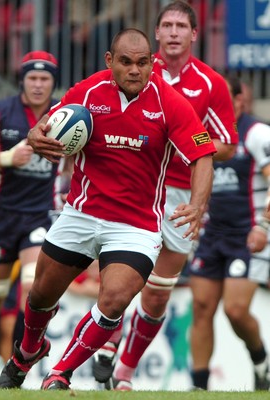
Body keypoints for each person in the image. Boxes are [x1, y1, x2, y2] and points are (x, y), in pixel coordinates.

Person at [0, 28, 216, 391]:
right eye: (126, 62)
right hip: (81, 214)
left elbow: (202, 154)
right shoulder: (87, 91)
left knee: (113, 300)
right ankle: (27, 353)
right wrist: (36, 136)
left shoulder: (170, 101)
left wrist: (197, 203)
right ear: (109, 61)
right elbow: (44, 126)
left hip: (136, 225)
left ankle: (59, 374)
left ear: (152, 63)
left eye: (143, 63)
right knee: (39, 296)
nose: (135, 70)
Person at [93, 1, 238, 391]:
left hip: (180, 196)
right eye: (167, 25)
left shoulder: (212, 84)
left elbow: (225, 143)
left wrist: (189, 138)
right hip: (135, 186)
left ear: (194, 35)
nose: (174, 32)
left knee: (157, 296)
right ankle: (106, 346)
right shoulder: (134, 70)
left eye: (181, 26)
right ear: (156, 34)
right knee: (119, 278)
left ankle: (124, 371)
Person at [0, 50, 61, 387]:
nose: (39, 85)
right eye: (33, 78)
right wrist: (7, 157)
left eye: (45, 79)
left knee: (34, 291)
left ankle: (17, 369)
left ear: (53, 82)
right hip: (0, 217)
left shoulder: (67, 115)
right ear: (22, 80)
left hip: (40, 216)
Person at [188, 74, 270, 391]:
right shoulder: (202, 134)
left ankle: (261, 362)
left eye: (229, 98)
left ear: (240, 100)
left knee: (235, 311)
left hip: (248, 236)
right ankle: (199, 387)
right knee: (201, 309)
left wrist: (264, 227)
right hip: (211, 236)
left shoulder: (257, 133)